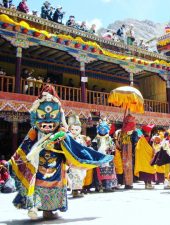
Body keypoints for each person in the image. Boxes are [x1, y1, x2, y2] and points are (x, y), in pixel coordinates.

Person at [5, 85, 113, 219]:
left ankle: (44, 208)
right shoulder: (40, 129)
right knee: (39, 182)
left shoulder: (56, 132)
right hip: (42, 160)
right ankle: (42, 208)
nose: (48, 121)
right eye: (43, 116)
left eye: (52, 117)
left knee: (43, 182)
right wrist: (14, 161)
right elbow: (25, 146)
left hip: (51, 161)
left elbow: (75, 148)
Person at [67, 114, 88, 197]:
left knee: (81, 174)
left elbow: (84, 147)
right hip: (72, 160)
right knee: (74, 175)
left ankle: (78, 190)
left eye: (76, 129)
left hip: (80, 159)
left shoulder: (82, 138)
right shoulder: (68, 138)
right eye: (72, 129)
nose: (74, 131)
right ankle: (75, 191)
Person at [134, 124, 156, 189]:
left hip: (143, 159)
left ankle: (146, 184)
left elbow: (137, 149)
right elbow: (152, 148)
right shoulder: (150, 139)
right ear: (148, 132)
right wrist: (154, 152)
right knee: (149, 170)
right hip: (149, 158)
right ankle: (149, 184)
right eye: (150, 131)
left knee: (144, 172)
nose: (150, 132)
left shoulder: (141, 139)